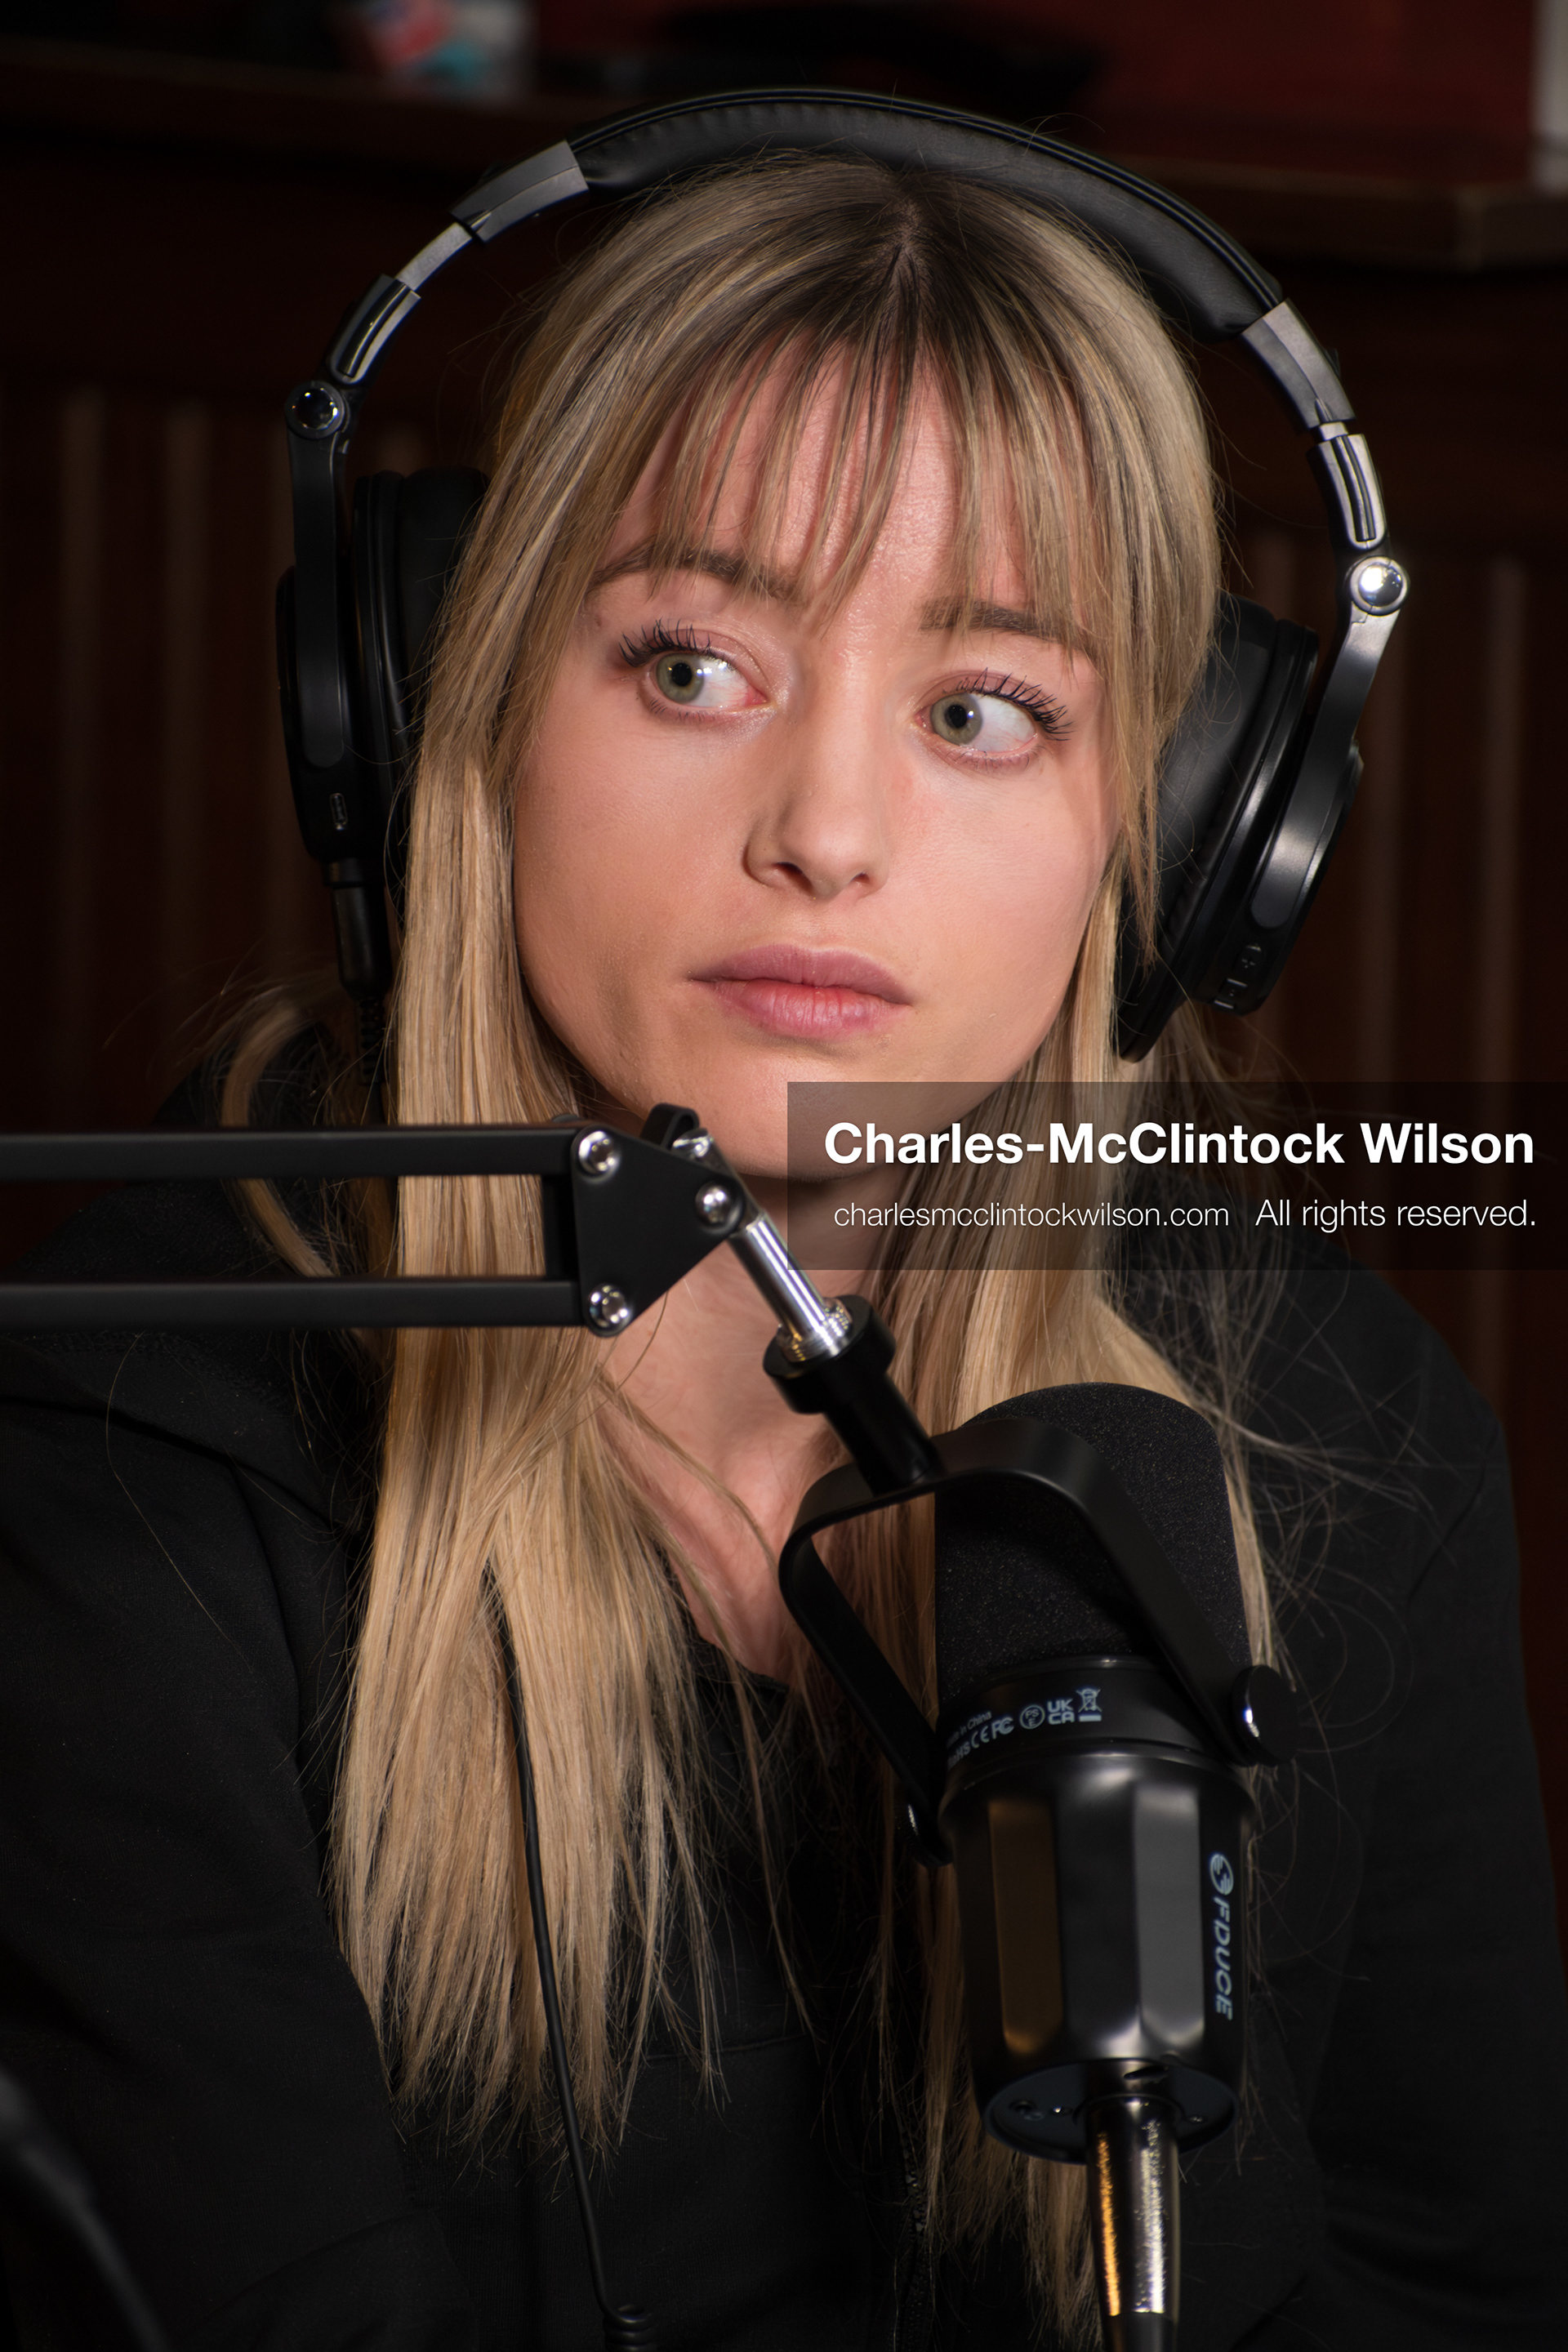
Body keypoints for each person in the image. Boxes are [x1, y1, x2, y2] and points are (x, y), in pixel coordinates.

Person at [2, 152, 1566, 2352]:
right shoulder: (128, 1464)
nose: (824, 831)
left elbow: (1443, 2292)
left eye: (981, 711)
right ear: (451, 705)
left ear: (1190, 836)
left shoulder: (1332, 1425)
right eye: (691, 664)